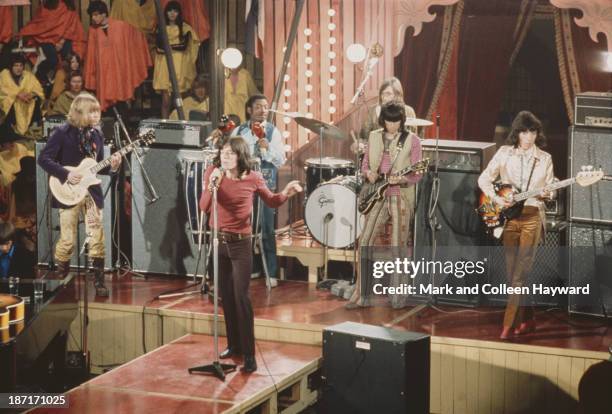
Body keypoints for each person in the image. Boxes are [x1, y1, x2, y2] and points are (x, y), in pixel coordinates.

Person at [199, 136, 301, 373]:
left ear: (240, 156)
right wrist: (212, 185)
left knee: (241, 297)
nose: (225, 156)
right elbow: (203, 206)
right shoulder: (213, 173)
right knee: (225, 296)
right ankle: (233, 345)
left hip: (240, 244)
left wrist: (286, 192)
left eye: (230, 153)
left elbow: (272, 201)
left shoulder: (253, 178)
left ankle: (249, 353)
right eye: (223, 152)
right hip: (219, 242)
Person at [478, 111, 555, 339]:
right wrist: (497, 199)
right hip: (509, 216)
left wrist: (548, 194)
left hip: (532, 216)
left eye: (532, 131)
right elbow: (483, 178)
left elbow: (549, 189)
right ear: (517, 132)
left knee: (520, 273)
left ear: (537, 133)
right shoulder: (504, 153)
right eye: (524, 131)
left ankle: (508, 325)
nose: (528, 136)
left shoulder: (545, 158)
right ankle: (528, 319)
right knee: (514, 274)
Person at [38, 92, 122, 296]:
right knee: (67, 240)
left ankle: (99, 281)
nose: (97, 115)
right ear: (80, 112)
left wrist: (112, 167)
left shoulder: (97, 135)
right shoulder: (62, 133)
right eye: (92, 112)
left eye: (98, 111)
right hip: (68, 191)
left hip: (91, 192)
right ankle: (61, 280)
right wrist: (66, 173)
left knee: (97, 236)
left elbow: (96, 167)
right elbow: (43, 159)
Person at [346, 102, 423, 309]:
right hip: (377, 194)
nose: (392, 125)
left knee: (397, 247)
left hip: (400, 196)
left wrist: (403, 179)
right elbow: (365, 165)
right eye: (388, 121)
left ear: (402, 121)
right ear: (383, 120)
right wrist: (368, 172)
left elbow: (418, 173)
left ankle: (398, 295)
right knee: (365, 242)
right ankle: (361, 293)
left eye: (396, 121)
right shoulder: (373, 137)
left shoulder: (412, 141)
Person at [232, 94, 285, 286]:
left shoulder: (273, 131)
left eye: (265, 107)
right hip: (243, 186)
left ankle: (271, 272)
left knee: (267, 228)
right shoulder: (239, 131)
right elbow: (230, 155)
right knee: (244, 228)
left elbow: (280, 160)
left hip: (265, 185)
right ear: (249, 110)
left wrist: (267, 148)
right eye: (258, 107)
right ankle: (251, 268)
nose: (263, 111)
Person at [84, 1, 152, 112]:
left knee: (121, 104)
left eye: (96, 15)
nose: (93, 18)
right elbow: (91, 56)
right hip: (103, 74)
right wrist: (92, 76)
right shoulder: (93, 31)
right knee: (107, 110)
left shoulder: (121, 26)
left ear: (104, 14)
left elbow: (137, 39)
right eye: (92, 15)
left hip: (118, 72)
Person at [17, 0, 86, 88]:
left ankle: (67, 84)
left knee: (68, 58)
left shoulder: (69, 5)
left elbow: (72, 26)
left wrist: (61, 41)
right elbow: (41, 25)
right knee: (53, 60)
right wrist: (52, 40)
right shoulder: (46, 6)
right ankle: (39, 78)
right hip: (46, 38)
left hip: (65, 38)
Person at [153, 1, 200, 119]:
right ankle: (165, 123)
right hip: (165, 65)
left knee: (180, 100)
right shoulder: (160, 27)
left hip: (180, 65)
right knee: (165, 100)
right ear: (166, 13)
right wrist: (172, 47)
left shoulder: (185, 27)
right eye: (170, 11)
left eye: (175, 11)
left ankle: (181, 123)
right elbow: (159, 48)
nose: (172, 14)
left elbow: (183, 46)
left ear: (179, 13)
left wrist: (168, 47)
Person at [355, 77, 417, 154]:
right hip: (378, 153)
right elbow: (364, 135)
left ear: (397, 94)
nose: (384, 97)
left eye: (388, 94)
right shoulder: (373, 110)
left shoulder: (408, 111)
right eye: (382, 93)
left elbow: (414, 137)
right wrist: (360, 144)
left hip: (401, 154)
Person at [0, 54, 44, 143]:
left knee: (35, 100)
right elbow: (2, 90)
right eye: (16, 65)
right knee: (10, 101)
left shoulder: (28, 75)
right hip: (10, 107)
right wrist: (17, 94)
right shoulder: (4, 74)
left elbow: (38, 90)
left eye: (21, 65)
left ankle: (31, 131)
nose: (18, 68)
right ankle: (13, 132)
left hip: (27, 104)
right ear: (11, 66)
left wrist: (31, 95)